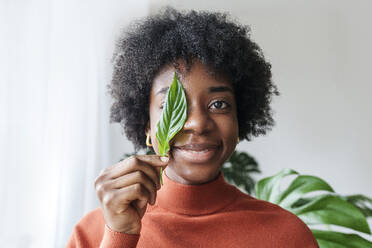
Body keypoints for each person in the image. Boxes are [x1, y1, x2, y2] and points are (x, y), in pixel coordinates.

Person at [67, 7, 319, 248]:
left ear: (239, 119)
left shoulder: (286, 235)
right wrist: (119, 237)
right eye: (173, 106)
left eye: (218, 104)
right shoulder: (93, 233)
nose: (198, 123)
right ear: (146, 124)